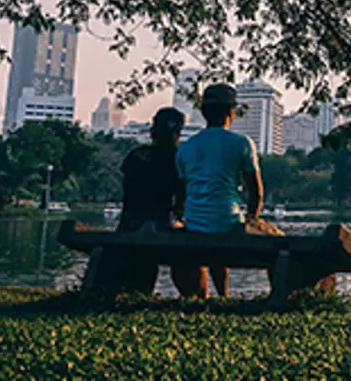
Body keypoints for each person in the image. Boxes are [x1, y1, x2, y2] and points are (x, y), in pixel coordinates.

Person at [175, 83, 282, 297]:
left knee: (214, 230)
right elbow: (256, 193)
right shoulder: (242, 143)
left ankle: (218, 296)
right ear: (231, 112)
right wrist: (252, 218)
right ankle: (234, 295)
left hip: (195, 223)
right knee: (279, 241)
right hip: (228, 222)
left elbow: (181, 194)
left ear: (204, 112)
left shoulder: (186, 147)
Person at [116, 107, 209, 296]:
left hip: (130, 224)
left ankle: (135, 291)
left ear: (153, 131)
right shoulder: (179, 159)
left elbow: (128, 192)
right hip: (163, 224)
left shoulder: (136, 156)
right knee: (190, 251)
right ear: (178, 133)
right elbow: (182, 196)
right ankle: (197, 297)